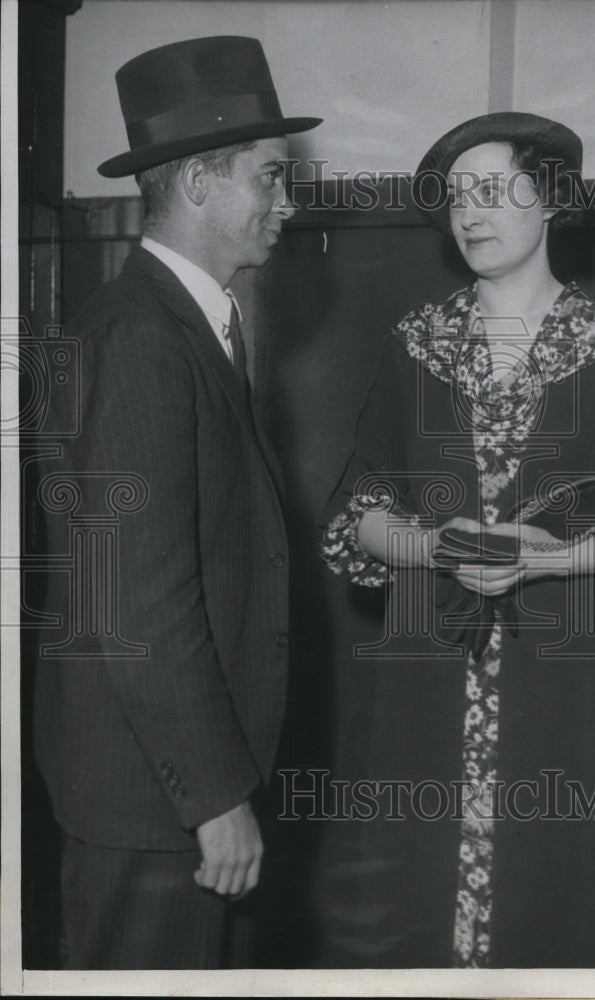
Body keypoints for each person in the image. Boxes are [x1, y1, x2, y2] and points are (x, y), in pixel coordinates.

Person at [320, 112, 595, 968]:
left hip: (559, 684)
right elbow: (360, 515)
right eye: (459, 197)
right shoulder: (415, 346)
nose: (471, 213)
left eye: (493, 191)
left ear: (553, 201)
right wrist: (431, 547)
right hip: (424, 666)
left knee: (547, 905)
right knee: (411, 910)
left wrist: (552, 557)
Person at [33, 35, 320, 969]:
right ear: (198, 180)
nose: (287, 202)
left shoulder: (190, 323)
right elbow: (138, 605)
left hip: (172, 797)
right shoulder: (142, 340)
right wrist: (214, 797)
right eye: (270, 179)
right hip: (161, 808)